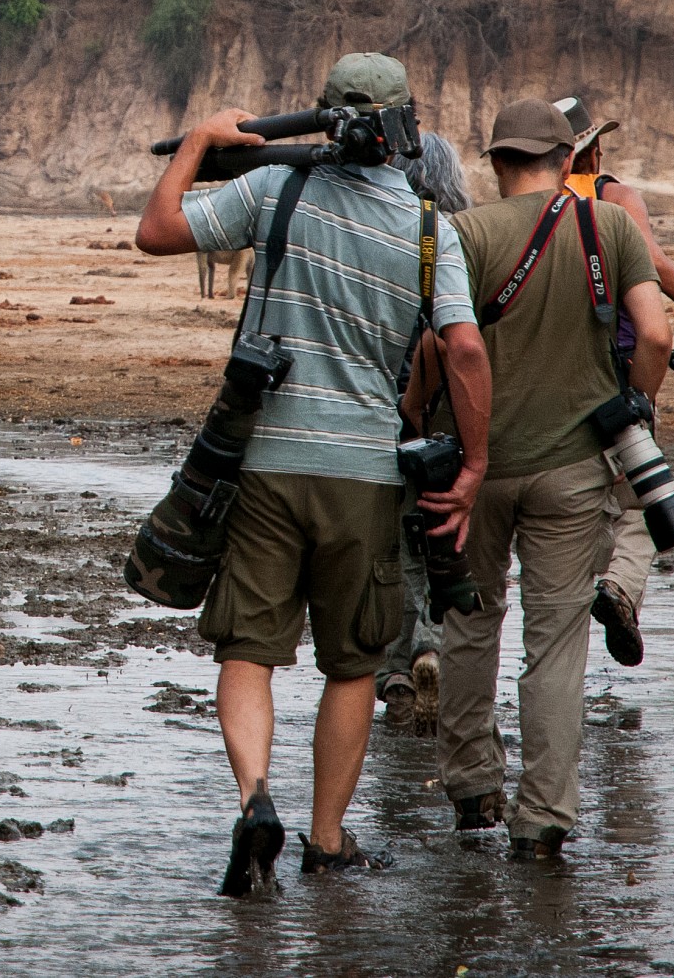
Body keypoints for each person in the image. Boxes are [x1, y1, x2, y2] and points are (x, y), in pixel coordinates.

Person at [134, 52, 492, 895]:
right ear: (404, 129)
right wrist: (474, 463)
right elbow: (465, 350)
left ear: (324, 115)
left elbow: (156, 230)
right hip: (364, 474)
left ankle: (256, 798)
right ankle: (327, 840)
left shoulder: (274, 190)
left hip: (264, 463)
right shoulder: (430, 229)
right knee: (354, 663)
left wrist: (198, 141)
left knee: (248, 650)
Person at [423, 99, 670, 859]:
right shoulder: (610, 226)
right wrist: (632, 407)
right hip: (572, 470)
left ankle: (472, 789)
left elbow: (437, 349)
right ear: (566, 160)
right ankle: (542, 820)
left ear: (496, 162)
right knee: (556, 644)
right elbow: (657, 336)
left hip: (473, 470)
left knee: (470, 623)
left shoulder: (462, 233)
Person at [551, 96, 674, 668]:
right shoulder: (615, 196)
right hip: (619, 370)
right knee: (641, 499)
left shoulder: (534, 205)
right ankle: (621, 588)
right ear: (593, 149)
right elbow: (650, 261)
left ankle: (568, 637)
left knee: (572, 503)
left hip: (552, 377)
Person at [377, 131, 475, 736]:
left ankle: (395, 671)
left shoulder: (382, 231)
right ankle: (432, 646)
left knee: (394, 544)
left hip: (388, 409)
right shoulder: (462, 237)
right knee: (443, 538)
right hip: (449, 415)